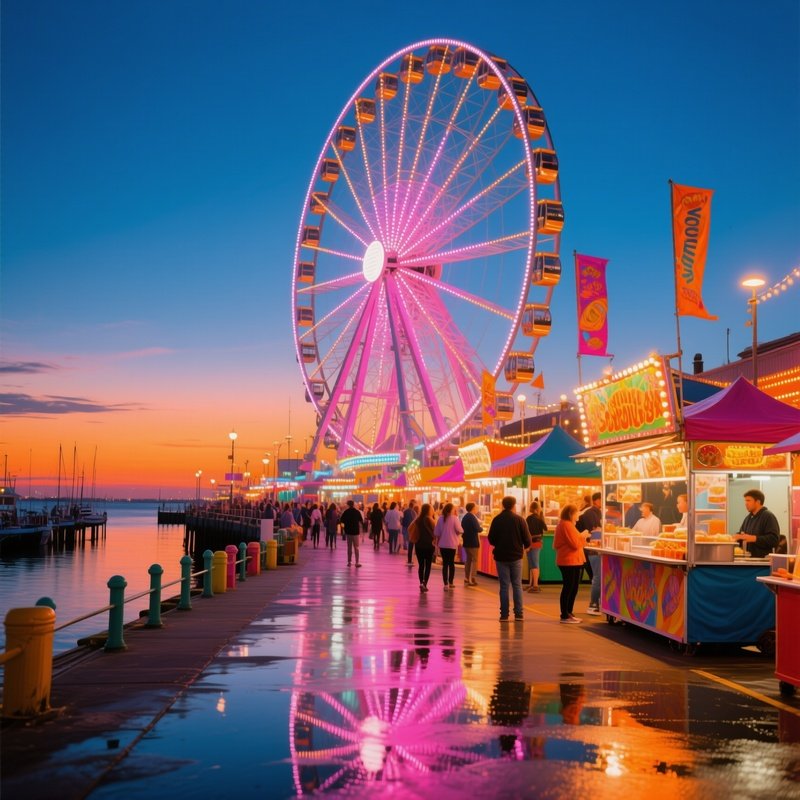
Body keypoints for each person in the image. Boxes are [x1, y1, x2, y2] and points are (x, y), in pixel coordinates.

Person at [487, 496, 532, 622]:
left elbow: (491, 539)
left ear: (503, 505)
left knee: (504, 586)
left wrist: (499, 544)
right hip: (516, 557)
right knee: (517, 585)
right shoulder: (520, 520)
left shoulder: (497, 520)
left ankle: (504, 615)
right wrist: (523, 546)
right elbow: (528, 540)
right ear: (514, 505)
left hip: (501, 557)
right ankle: (518, 614)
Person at [553, 504, 586, 623]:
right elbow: (575, 544)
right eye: (577, 513)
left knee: (573, 587)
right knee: (569, 587)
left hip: (573, 560)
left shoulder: (567, 525)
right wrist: (583, 536)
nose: (578, 515)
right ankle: (565, 615)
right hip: (569, 561)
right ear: (571, 514)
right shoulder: (566, 525)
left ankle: (569, 613)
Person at [733, 489, 780, 557]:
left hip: (762, 563)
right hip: (748, 560)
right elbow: (742, 535)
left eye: (748, 500)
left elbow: (774, 540)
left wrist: (754, 538)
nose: (746, 503)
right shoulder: (748, 518)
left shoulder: (768, 516)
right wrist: (735, 538)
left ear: (758, 502)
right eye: (745, 501)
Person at [576, 492, 602, 611]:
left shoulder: (595, 512)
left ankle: (598, 602)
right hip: (590, 549)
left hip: (593, 548)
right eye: (602, 500)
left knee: (596, 577)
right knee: (596, 577)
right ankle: (593, 604)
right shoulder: (590, 513)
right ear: (596, 500)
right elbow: (592, 531)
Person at [434, 502, 463, 590]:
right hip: (452, 544)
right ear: (451, 510)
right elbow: (460, 530)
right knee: (451, 564)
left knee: (445, 564)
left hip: (442, 544)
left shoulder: (440, 519)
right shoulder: (455, 519)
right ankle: (451, 582)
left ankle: (445, 584)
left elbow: (436, 532)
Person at [409, 503, 436, 592]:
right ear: (429, 510)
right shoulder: (430, 520)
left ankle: (421, 582)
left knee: (421, 565)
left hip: (419, 545)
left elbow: (410, 529)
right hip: (429, 545)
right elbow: (436, 531)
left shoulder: (417, 520)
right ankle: (424, 583)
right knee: (428, 565)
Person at [525, 501, 546, 593]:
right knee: (534, 563)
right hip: (538, 542)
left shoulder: (528, 518)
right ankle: (533, 584)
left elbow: (525, 531)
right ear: (538, 509)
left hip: (530, 543)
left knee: (532, 564)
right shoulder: (540, 518)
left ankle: (534, 585)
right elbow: (545, 529)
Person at [461, 503, 483, 586]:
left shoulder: (465, 517)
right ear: (473, 508)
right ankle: (473, 578)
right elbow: (478, 529)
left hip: (466, 541)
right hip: (473, 542)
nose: (477, 509)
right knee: (474, 560)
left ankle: (466, 578)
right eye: (476, 507)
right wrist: (482, 528)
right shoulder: (472, 517)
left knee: (468, 560)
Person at [340, 500, 363, 567]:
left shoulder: (346, 512)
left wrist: (344, 528)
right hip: (356, 532)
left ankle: (349, 562)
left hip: (348, 532)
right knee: (356, 547)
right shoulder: (357, 512)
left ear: (348, 505)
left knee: (349, 547)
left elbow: (341, 521)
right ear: (353, 504)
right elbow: (361, 521)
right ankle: (357, 562)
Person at [402, 500, 417, 566]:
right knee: (410, 540)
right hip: (411, 527)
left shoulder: (405, 511)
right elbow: (415, 520)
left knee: (405, 537)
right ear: (413, 506)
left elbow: (402, 518)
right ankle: (407, 547)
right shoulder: (413, 512)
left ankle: (405, 545)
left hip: (405, 526)